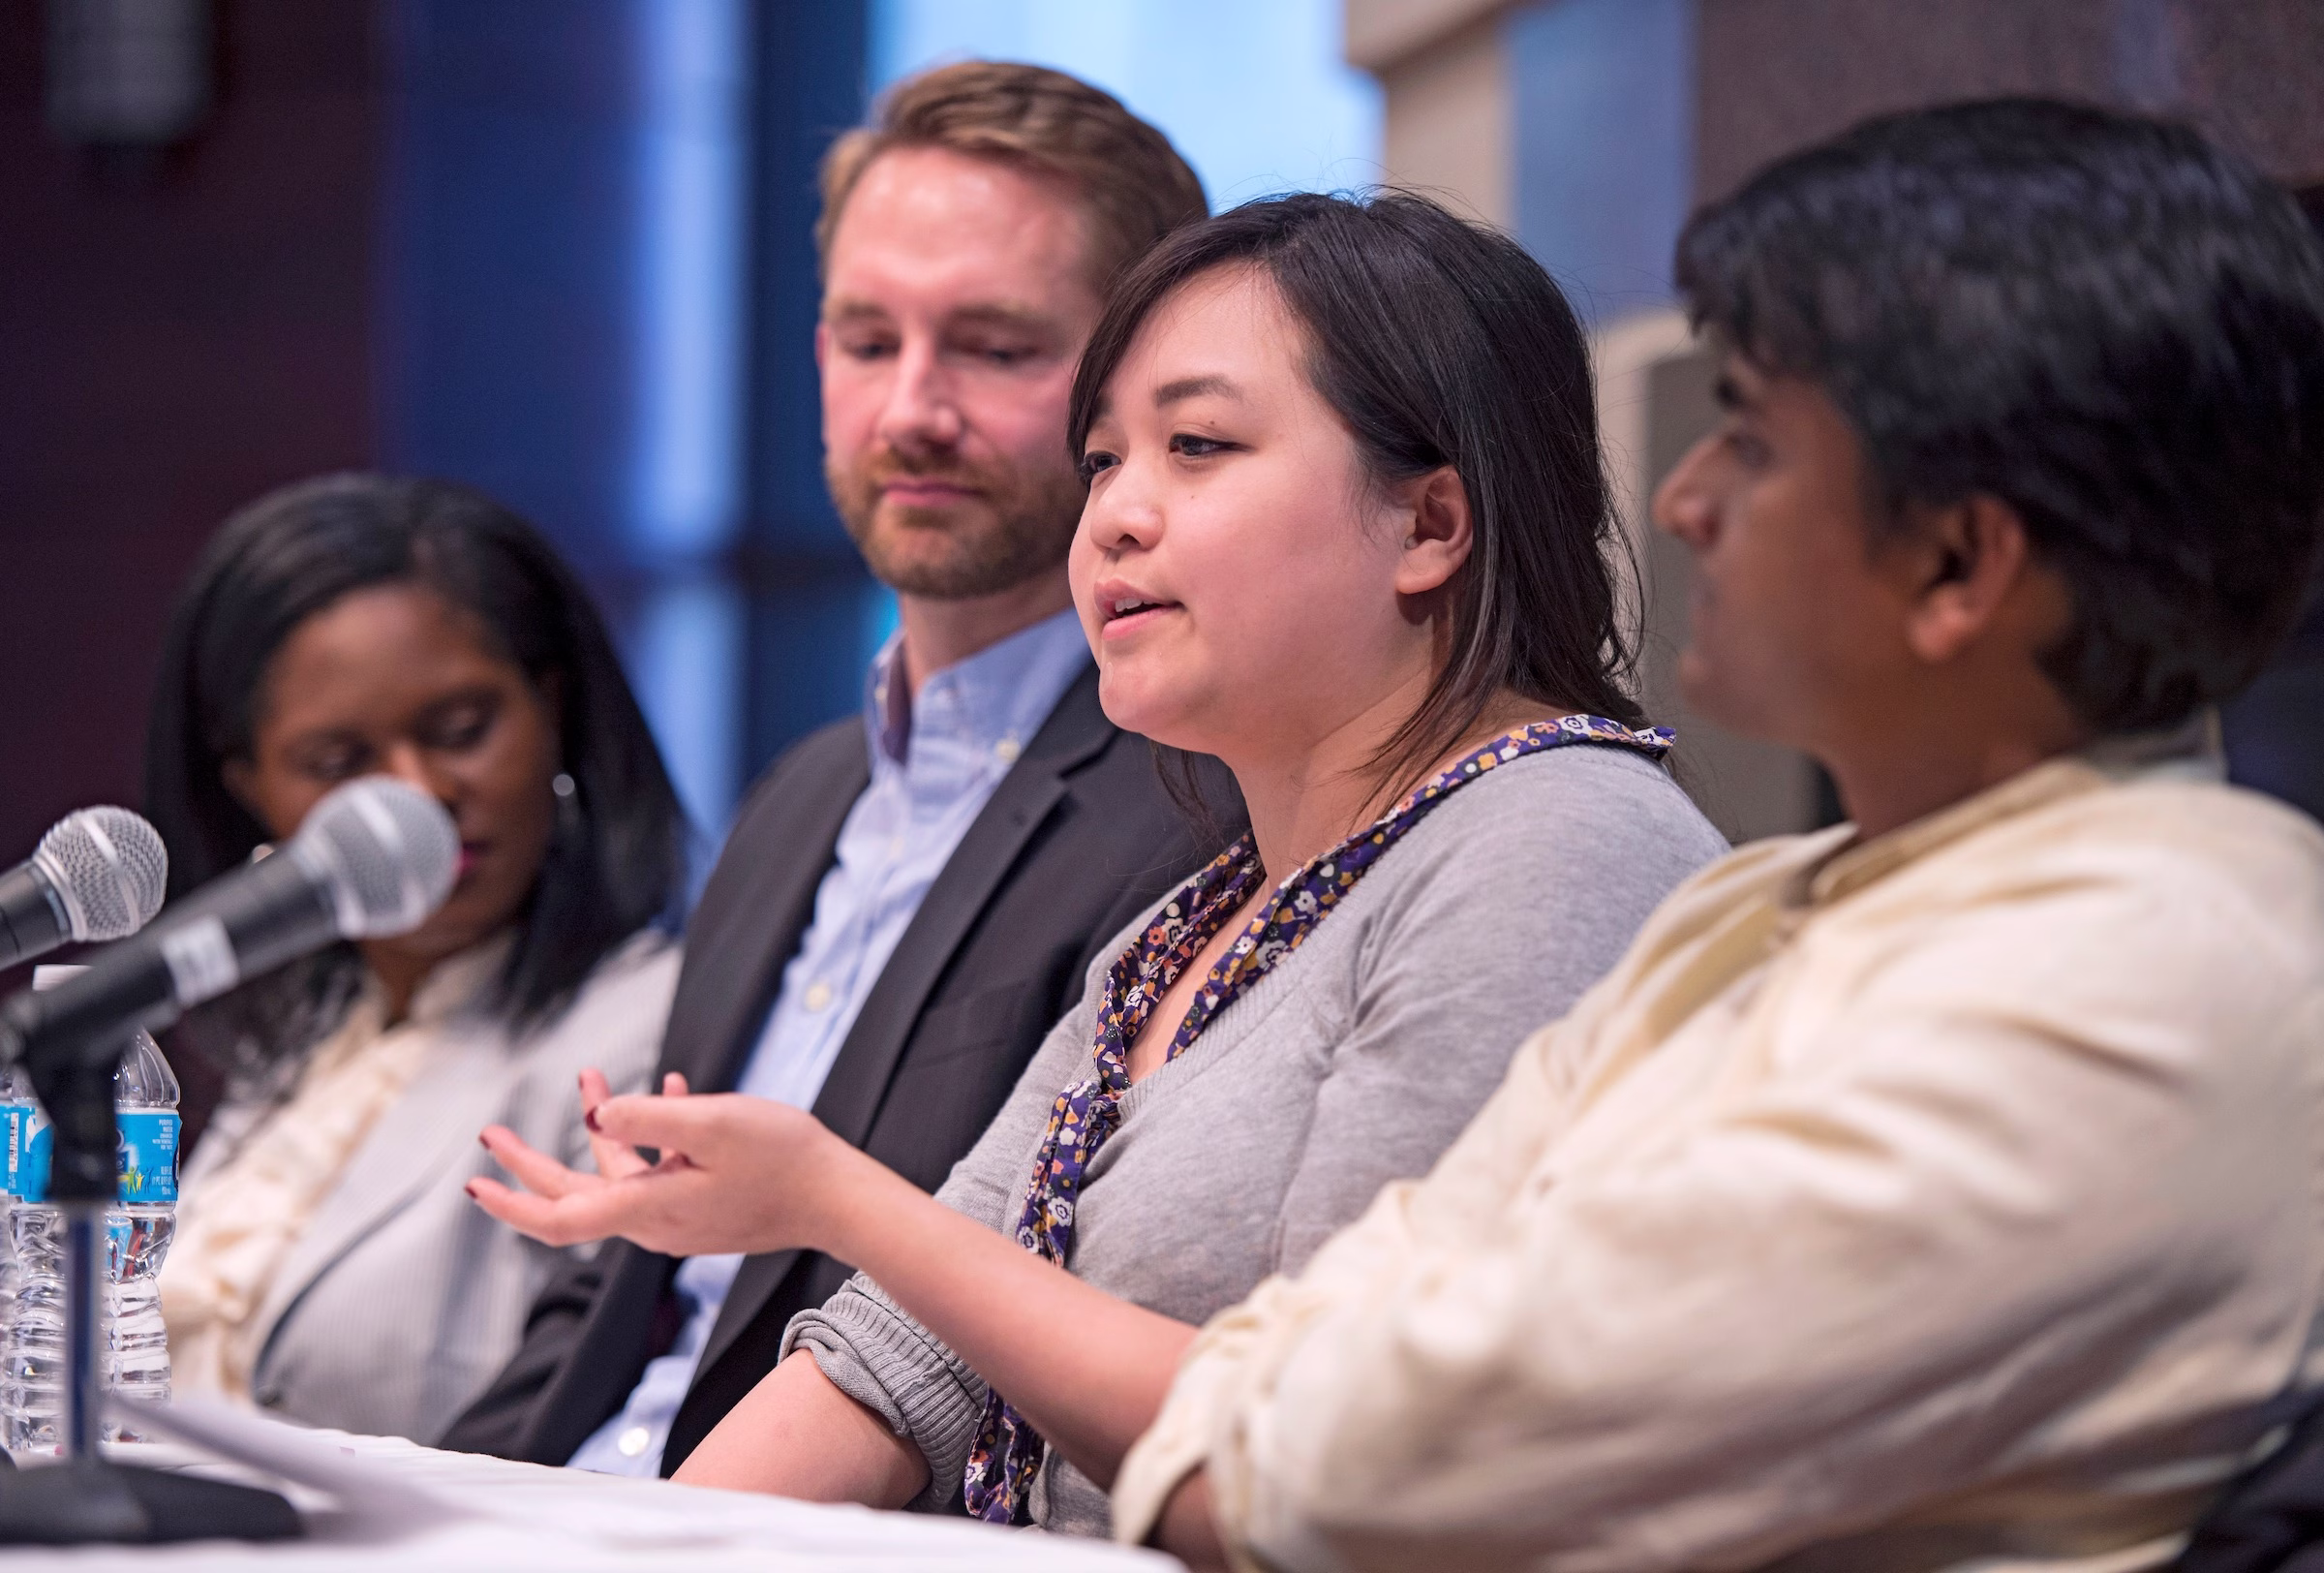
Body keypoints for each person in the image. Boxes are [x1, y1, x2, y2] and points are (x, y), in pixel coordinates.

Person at [1096, 100, 2324, 1573]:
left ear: (1956, 561)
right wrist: (1260, 1413)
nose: (1681, 502)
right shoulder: (1748, 912)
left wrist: (1257, 1422)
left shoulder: (2136, 983)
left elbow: (1340, 1477)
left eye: (1749, 437)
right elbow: (1322, 1340)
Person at [466, 188, 1730, 1537]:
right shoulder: (1192, 922)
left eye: (1198, 446)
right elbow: (901, 1358)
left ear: (1428, 526)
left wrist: (834, 1196)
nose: (1117, 515)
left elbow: (1334, 1456)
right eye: (1103, 460)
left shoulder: (1558, 843)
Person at [437, 61, 1225, 1476]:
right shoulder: (799, 796)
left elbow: (1052, 1345)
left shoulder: (1199, 803)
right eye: (868, 340)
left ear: (1138, 392)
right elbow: (624, 1286)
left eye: (992, 346)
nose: (910, 409)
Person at [144, 473, 688, 1445]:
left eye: (461, 731)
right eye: (340, 763)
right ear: (253, 792)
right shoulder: (310, 1038)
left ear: (551, 710)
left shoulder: (649, 1029)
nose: (418, 795)